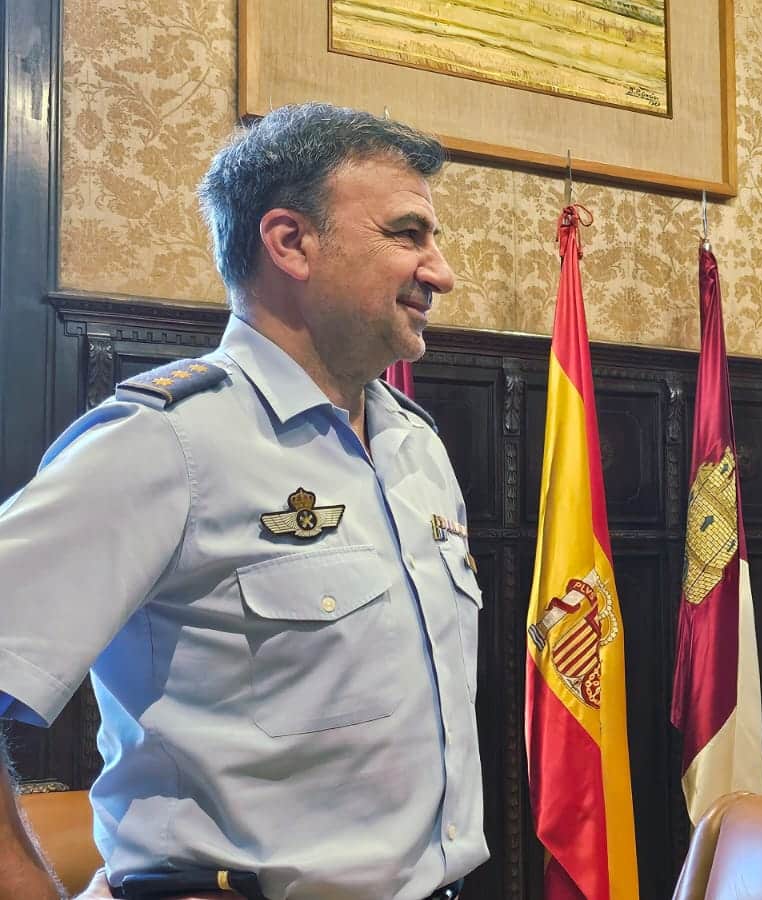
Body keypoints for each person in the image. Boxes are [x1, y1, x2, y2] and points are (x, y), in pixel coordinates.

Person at [0, 103, 486, 899]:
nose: (440, 272)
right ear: (290, 242)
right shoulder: (166, 442)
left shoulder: (416, 445)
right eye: (407, 235)